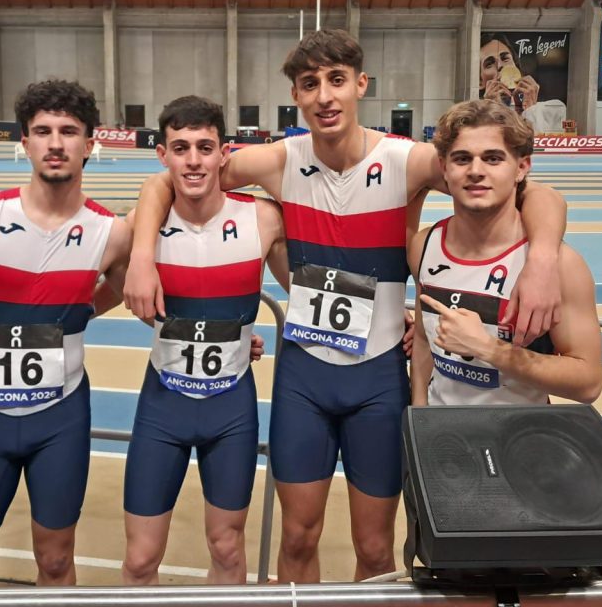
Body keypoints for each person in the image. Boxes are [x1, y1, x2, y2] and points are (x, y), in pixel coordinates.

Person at [125, 29, 567, 582]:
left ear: (361, 84)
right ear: (296, 95)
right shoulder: (277, 160)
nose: (325, 96)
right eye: (310, 84)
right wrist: (141, 255)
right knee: (296, 538)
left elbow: (535, 191)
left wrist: (542, 259)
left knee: (376, 549)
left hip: (378, 378)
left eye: (337, 80)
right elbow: (168, 181)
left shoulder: (409, 160)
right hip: (304, 379)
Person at [0, 79, 131, 587]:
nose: (55, 143)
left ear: (90, 144)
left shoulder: (111, 232)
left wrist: (80, 310)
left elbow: (135, 292)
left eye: (68, 131)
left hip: (61, 417)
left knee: (57, 562)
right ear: (25, 142)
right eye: (43, 131)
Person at [405, 99, 602, 561]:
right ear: (444, 169)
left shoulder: (559, 266)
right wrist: (419, 418)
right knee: (437, 572)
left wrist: (492, 351)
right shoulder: (425, 246)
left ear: (521, 168)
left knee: (517, 577)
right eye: (462, 158)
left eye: (493, 158)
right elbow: (425, 342)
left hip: (523, 455)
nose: (476, 171)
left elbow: (588, 381)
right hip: (444, 451)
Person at [121, 96, 289, 585]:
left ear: (223, 153)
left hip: (230, 408)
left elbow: (304, 291)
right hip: (163, 406)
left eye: (204, 147)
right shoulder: (141, 228)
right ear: (163, 155)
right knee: (140, 558)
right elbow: (102, 299)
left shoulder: (264, 219)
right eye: (180, 148)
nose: (193, 160)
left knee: (228, 549)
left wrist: (394, 314)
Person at [479, 33, 566, 134]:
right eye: (489, 64)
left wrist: (531, 109)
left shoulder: (554, 110)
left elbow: (539, 144)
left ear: (516, 67)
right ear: (480, 82)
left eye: (505, 58)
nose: (500, 66)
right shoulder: (476, 119)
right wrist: (491, 112)